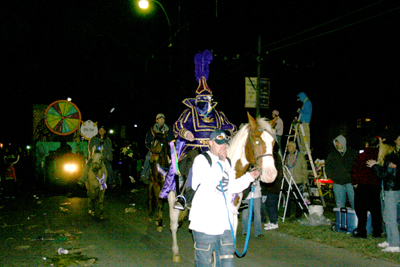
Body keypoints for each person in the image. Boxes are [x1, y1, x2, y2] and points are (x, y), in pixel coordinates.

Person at [160, 50, 237, 200]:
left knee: (230, 163)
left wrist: (225, 135)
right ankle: (185, 193)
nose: (205, 102)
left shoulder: (218, 115)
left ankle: (233, 194)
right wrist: (186, 133)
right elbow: (178, 126)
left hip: (216, 147)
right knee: (193, 162)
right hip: (194, 147)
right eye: (202, 99)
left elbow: (230, 127)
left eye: (207, 99)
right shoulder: (190, 113)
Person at [189, 129, 260, 266]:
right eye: (218, 143)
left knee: (227, 263)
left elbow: (232, 186)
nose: (223, 146)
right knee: (204, 263)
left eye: (224, 143)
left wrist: (249, 177)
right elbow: (210, 182)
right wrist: (221, 163)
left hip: (224, 225)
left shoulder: (227, 162)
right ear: (210, 143)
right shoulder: (201, 160)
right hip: (205, 225)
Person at [367, 134, 400, 252]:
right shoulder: (390, 159)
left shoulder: (391, 160)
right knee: (387, 216)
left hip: (392, 191)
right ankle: (390, 240)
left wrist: (374, 166)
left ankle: (395, 245)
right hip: (388, 190)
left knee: (391, 218)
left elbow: (385, 175)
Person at [351, 136, 382, 238]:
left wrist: (355, 182)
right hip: (375, 186)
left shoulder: (361, 156)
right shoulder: (380, 156)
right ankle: (377, 232)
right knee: (376, 211)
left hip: (363, 186)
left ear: (367, 144)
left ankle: (362, 231)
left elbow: (355, 169)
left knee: (361, 210)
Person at [325, 135, 358, 209]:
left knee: (354, 202)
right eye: (336, 143)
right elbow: (328, 167)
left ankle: (355, 219)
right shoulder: (332, 155)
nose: (337, 145)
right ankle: (341, 219)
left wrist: (354, 178)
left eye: (338, 143)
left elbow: (357, 166)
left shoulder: (352, 153)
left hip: (350, 182)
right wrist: (333, 177)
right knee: (339, 204)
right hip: (338, 183)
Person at [141, 113, 174, 184]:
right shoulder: (152, 130)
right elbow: (147, 142)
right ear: (156, 120)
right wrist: (153, 149)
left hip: (166, 149)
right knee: (148, 158)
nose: (161, 120)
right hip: (155, 150)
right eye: (159, 119)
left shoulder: (169, 129)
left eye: (163, 119)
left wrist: (169, 142)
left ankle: (175, 176)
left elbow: (172, 139)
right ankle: (144, 175)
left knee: (174, 158)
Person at [261, 143, 283, 230]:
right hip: (273, 186)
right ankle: (271, 221)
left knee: (271, 204)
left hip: (273, 186)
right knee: (270, 204)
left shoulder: (274, 158)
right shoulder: (276, 157)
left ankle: (274, 222)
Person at [285, 141, 308, 219]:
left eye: (290, 146)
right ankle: (287, 213)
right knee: (288, 199)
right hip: (289, 181)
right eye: (288, 146)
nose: (289, 148)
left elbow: (304, 168)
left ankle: (298, 214)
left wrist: (304, 180)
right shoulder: (287, 157)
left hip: (298, 180)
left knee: (298, 198)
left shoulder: (300, 156)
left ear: (295, 147)